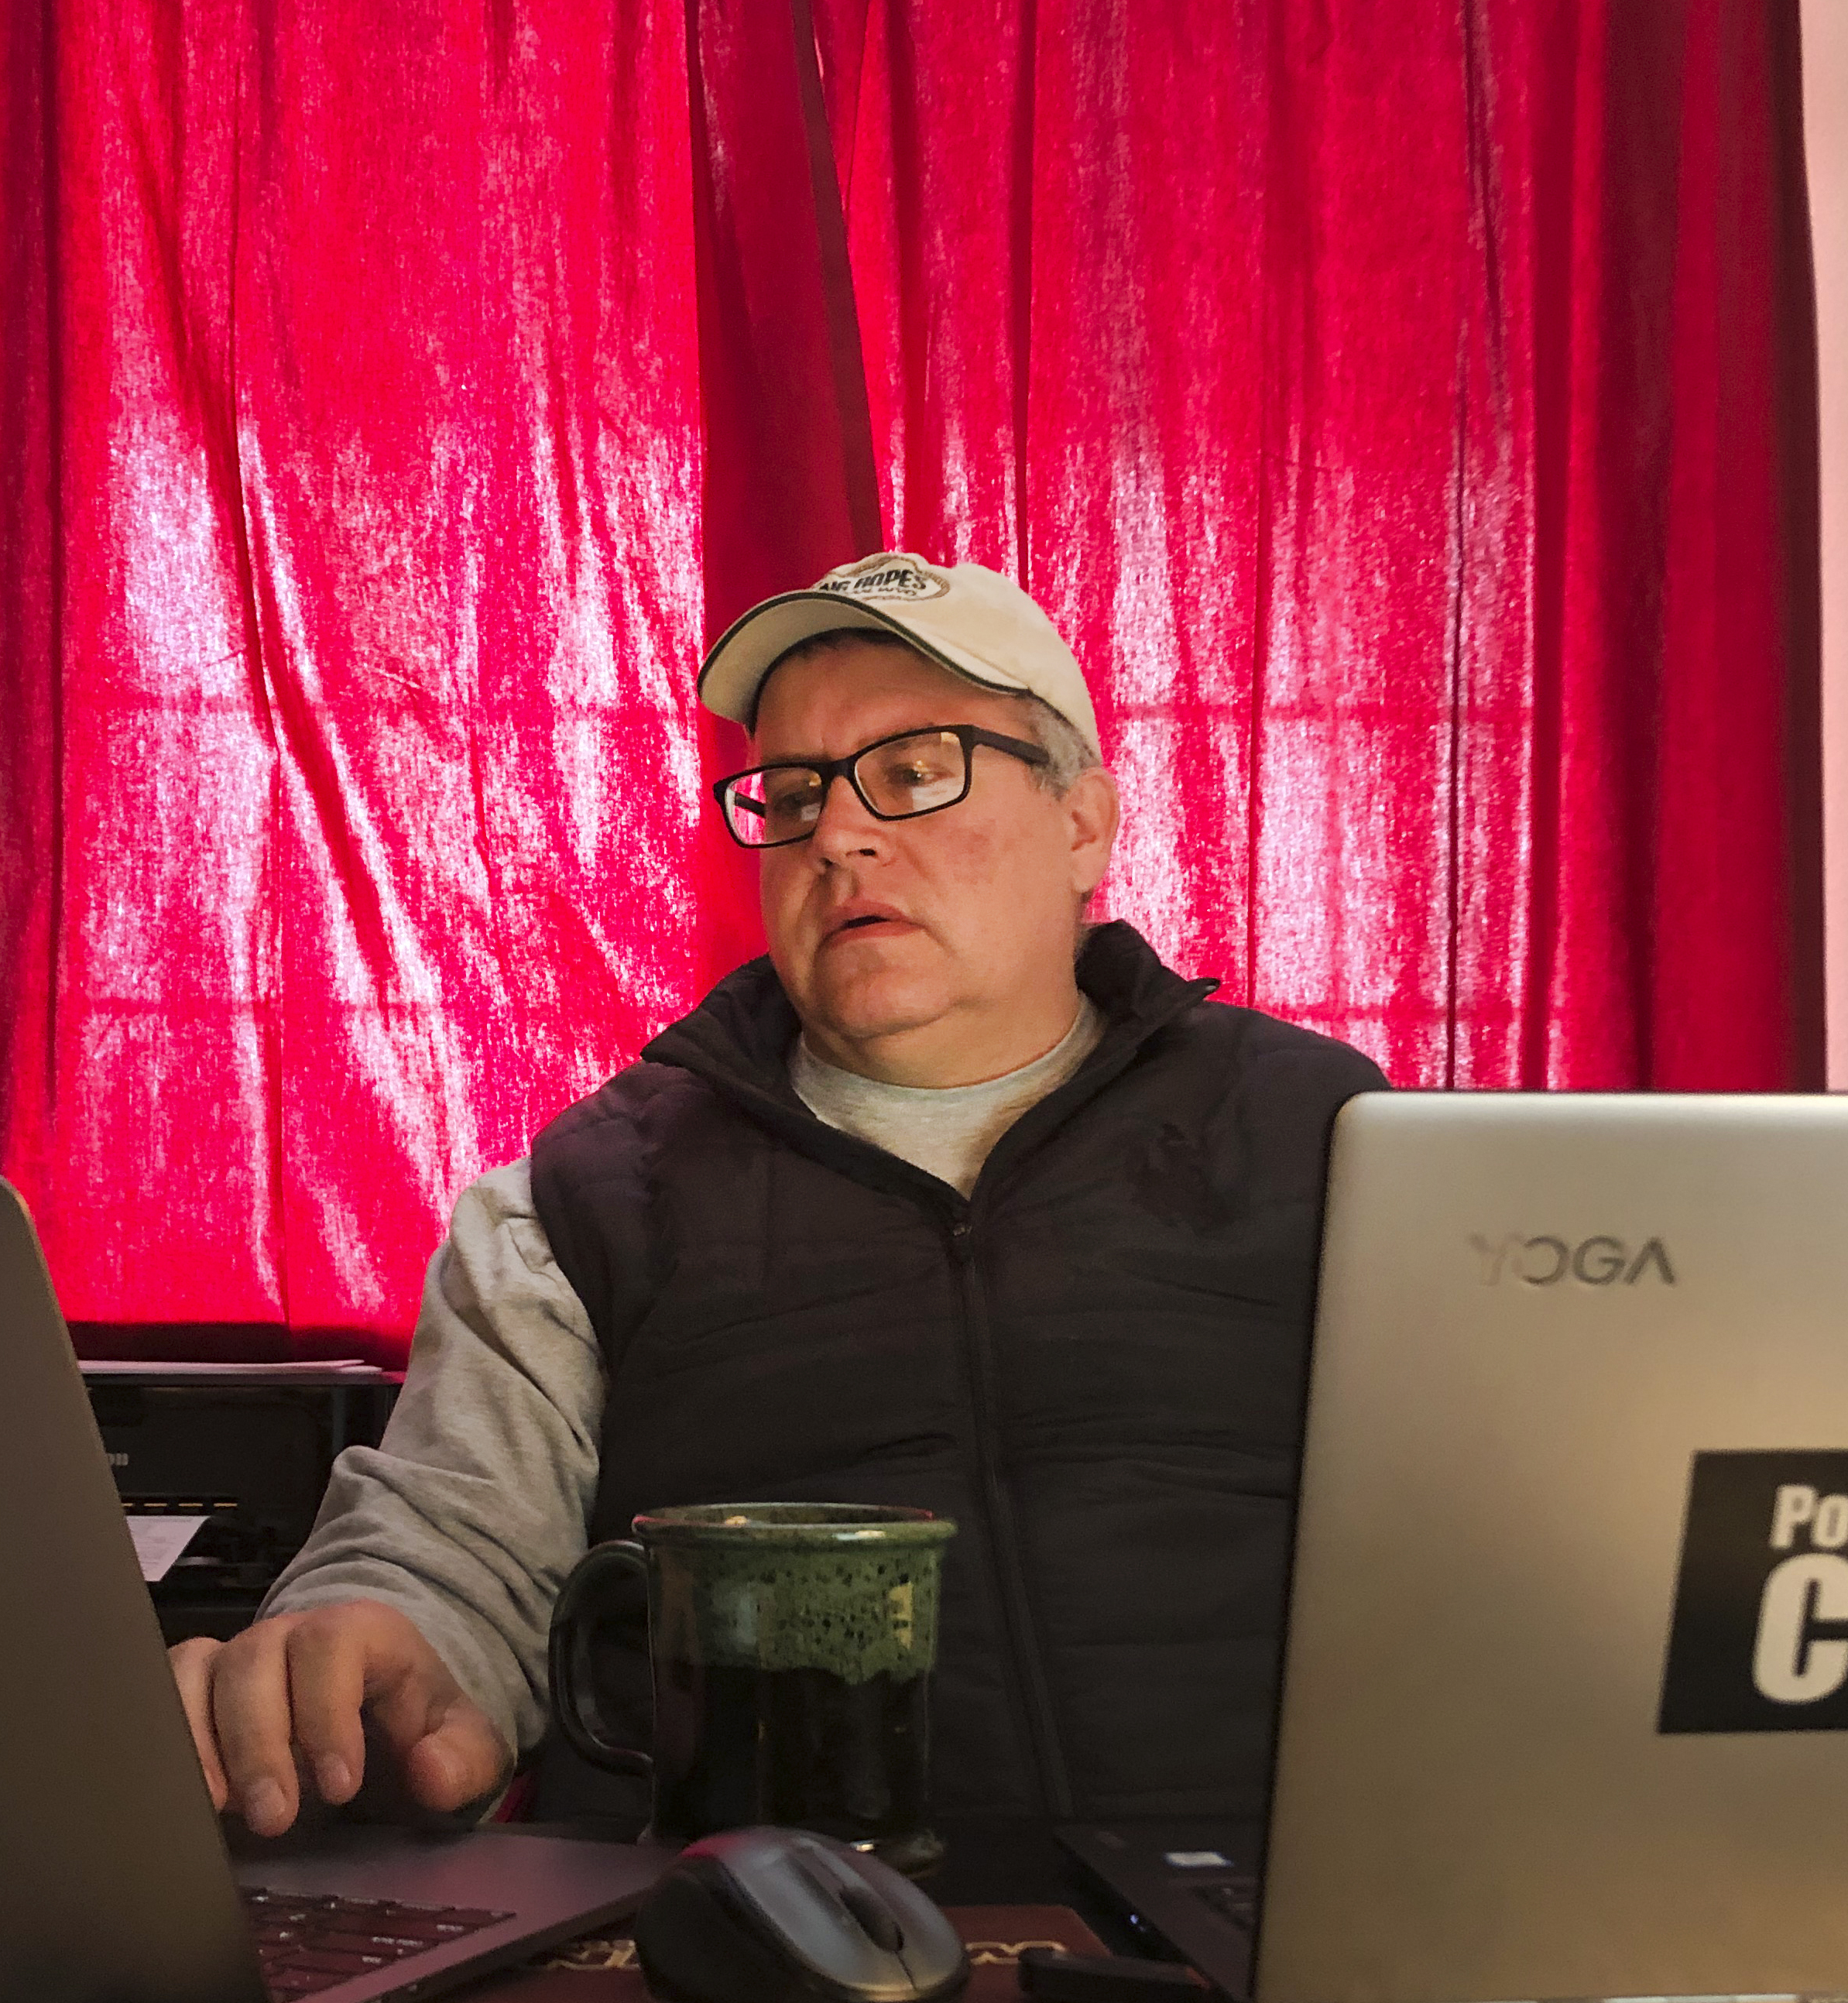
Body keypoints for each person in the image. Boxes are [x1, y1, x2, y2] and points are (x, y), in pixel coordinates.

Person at [170, 551, 1387, 1836]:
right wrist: (373, 1651)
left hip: (1278, 1961)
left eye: (917, 771)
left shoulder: (1321, 1135)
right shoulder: (584, 1202)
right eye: (793, 795)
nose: (838, 836)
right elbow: (441, 1551)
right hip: (738, 1974)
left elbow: (1513, 1545)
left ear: (1082, 823)